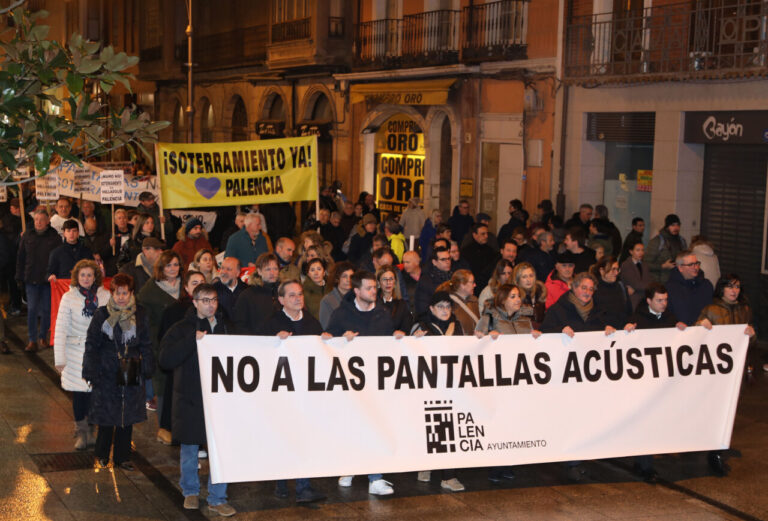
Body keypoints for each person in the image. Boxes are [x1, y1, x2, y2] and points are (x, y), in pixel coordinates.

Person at [159, 283, 236, 516]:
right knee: (190, 448)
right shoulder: (182, 328)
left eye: (214, 300)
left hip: (221, 399)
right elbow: (165, 359)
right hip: (190, 398)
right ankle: (190, 491)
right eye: (205, 300)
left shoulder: (226, 327)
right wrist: (191, 341)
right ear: (194, 302)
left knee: (220, 449)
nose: (210, 305)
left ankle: (217, 497)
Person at [326, 270, 403, 496]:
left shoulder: (383, 314)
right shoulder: (342, 314)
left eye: (374, 287)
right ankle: (352, 466)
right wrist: (340, 340)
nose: (374, 291)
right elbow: (326, 340)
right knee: (354, 427)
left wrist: (398, 338)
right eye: (369, 288)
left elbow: (388, 345)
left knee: (374, 426)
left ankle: (374, 477)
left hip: (376, 383)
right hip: (350, 384)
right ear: (357, 291)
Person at [264, 280, 328, 504]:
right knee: (284, 436)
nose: (298, 298)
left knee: (303, 435)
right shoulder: (272, 323)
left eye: (300, 294)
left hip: (305, 390)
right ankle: (281, 481)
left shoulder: (312, 322)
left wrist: (327, 343)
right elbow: (259, 354)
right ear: (281, 300)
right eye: (292, 295)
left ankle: (303, 486)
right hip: (281, 392)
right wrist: (274, 342)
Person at [82, 273, 153, 471]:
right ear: (112, 294)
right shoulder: (102, 314)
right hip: (106, 370)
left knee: (126, 415)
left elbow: (146, 343)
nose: (121, 297)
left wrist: (147, 366)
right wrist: (90, 369)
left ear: (131, 293)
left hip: (131, 367)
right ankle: (102, 455)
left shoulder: (140, 314)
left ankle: (123, 457)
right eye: (117, 293)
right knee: (106, 415)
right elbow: (92, 343)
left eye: (125, 293)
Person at [626, 282, 686, 482]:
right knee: (646, 422)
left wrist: (682, 329)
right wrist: (627, 332)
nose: (664, 304)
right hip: (644, 383)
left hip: (663, 382)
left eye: (666, 300)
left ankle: (643, 461)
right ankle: (645, 465)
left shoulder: (670, 318)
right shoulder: (638, 320)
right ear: (649, 301)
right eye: (659, 300)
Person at [409, 291, 466, 492]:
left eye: (448, 306)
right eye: (440, 306)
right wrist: (413, 340)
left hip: (451, 385)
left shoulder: (457, 326)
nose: (445, 310)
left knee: (449, 428)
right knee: (429, 427)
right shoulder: (421, 326)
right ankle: (426, 464)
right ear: (431, 308)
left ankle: (449, 476)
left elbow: (466, 350)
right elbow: (407, 353)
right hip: (428, 385)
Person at [53, 259, 110, 450]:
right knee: (79, 395)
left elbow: (111, 325)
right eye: (82, 275)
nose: (86, 278)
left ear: (95, 277)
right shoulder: (68, 298)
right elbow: (60, 328)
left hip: (98, 353)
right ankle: (81, 432)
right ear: (77, 277)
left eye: (89, 275)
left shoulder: (105, 296)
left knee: (94, 395)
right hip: (75, 352)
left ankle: (91, 432)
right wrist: (59, 358)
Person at [136, 250, 184, 444]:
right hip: (161, 346)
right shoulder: (149, 292)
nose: (173, 269)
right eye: (168, 265)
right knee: (163, 388)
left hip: (185, 345)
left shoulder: (186, 286)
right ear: (161, 268)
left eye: (176, 264)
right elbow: (145, 322)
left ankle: (181, 427)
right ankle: (164, 428)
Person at [17, 208, 62, 351]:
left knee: (47, 310)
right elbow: (20, 257)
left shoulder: (55, 237)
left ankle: (43, 337)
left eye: (42, 220)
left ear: (48, 221)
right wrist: (19, 277)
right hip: (31, 279)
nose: (39, 222)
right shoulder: (27, 236)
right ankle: (32, 340)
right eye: (36, 219)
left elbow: (58, 259)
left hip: (48, 280)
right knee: (32, 309)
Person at [233, 253, 281, 335]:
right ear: (259, 271)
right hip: (255, 341)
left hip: (282, 340)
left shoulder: (284, 292)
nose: (272, 273)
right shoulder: (247, 295)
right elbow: (239, 325)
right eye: (268, 269)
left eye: (275, 269)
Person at [665, 250, 713, 326]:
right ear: (680, 268)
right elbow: (667, 314)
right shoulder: (670, 288)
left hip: (704, 329)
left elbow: (712, 311)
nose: (695, 267)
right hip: (681, 330)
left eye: (696, 263)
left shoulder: (706, 285)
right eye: (691, 264)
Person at [591, 256, 632, 329]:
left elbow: (629, 311)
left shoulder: (621, 287)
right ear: (602, 271)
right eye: (613, 269)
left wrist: (628, 324)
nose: (616, 273)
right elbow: (591, 315)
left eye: (617, 269)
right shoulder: (593, 289)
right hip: (602, 332)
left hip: (622, 331)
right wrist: (603, 326)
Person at [646, 214, 687, 283]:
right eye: (672, 225)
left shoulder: (682, 241)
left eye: (678, 225)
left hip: (678, 280)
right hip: (660, 282)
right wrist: (663, 266)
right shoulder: (657, 241)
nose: (676, 228)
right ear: (667, 227)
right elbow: (646, 264)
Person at [436, 269, 479, 335]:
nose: (475, 285)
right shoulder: (449, 304)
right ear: (462, 285)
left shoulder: (474, 301)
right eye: (472, 282)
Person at [415, 247, 453, 315]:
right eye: (443, 259)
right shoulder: (426, 281)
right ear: (434, 262)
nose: (447, 262)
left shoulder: (453, 277)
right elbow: (422, 308)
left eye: (449, 258)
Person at [461, 223, 497, 295]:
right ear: (475, 235)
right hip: (474, 284)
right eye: (483, 234)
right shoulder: (466, 251)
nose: (486, 236)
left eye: (487, 233)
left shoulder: (490, 250)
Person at [376, 265, 413, 333]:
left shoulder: (402, 304)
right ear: (378, 283)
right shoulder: (373, 303)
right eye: (384, 279)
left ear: (395, 283)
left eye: (391, 279)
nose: (388, 282)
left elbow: (407, 327)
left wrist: (401, 333)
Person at [318, 261, 355, 329]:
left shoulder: (358, 298)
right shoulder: (327, 301)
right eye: (344, 276)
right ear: (337, 279)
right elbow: (326, 327)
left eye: (351, 276)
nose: (348, 280)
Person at [620, 240, 654, 311]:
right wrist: (647, 286)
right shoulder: (626, 265)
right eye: (638, 250)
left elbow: (651, 282)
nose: (641, 253)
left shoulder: (645, 265)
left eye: (642, 250)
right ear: (631, 251)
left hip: (644, 297)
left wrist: (636, 289)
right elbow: (636, 284)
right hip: (633, 299)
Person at [213, 257, 247, 323]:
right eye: (222, 268)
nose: (223, 272)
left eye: (228, 269)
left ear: (237, 273)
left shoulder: (247, 290)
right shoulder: (213, 290)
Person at [513, 262, 547, 327]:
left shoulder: (541, 293)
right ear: (517, 280)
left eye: (531, 276)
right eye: (524, 277)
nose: (528, 280)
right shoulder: (514, 297)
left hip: (541, 330)